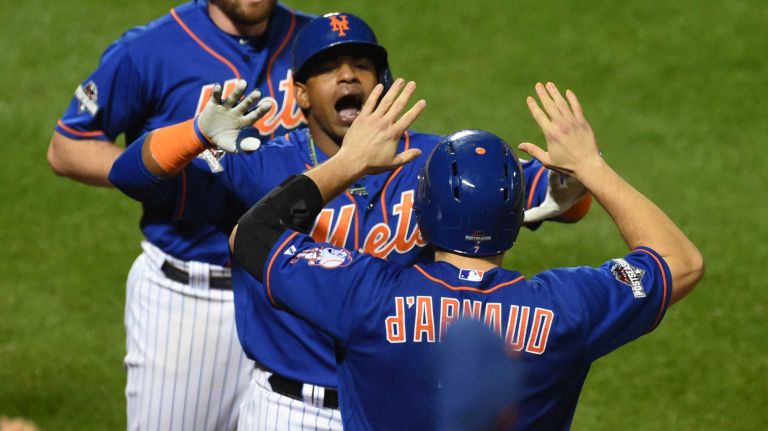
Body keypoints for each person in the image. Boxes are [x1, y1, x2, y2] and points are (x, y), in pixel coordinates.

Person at [108, 13, 590, 429]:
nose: (347, 77)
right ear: (299, 94)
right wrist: (192, 133)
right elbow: (129, 175)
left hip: (394, 407)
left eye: (361, 64)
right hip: (290, 410)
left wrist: (569, 189)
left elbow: (557, 200)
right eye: (327, 68)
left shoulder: (435, 160)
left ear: (383, 79)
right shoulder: (263, 164)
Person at [227, 81, 705, 429]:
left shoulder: (364, 295)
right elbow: (681, 262)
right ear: (518, 213)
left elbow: (253, 236)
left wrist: (349, 163)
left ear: (423, 213)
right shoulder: (568, 309)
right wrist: (592, 168)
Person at [47, 1, 314, 429]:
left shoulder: (322, 46)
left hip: (295, 296)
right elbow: (68, 146)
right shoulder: (148, 51)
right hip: (192, 301)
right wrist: (162, 176)